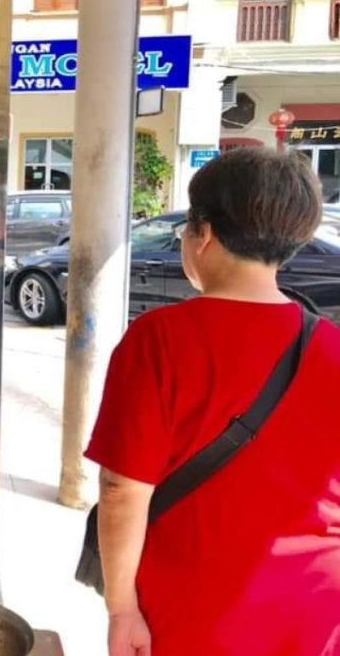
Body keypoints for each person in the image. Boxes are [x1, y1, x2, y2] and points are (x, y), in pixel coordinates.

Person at [86, 148, 340, 656]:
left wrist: (121, 609)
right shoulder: (332, 345)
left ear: (202, 234)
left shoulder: (159, 339)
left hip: (193, 606)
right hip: (313, 607)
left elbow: (122, 490)